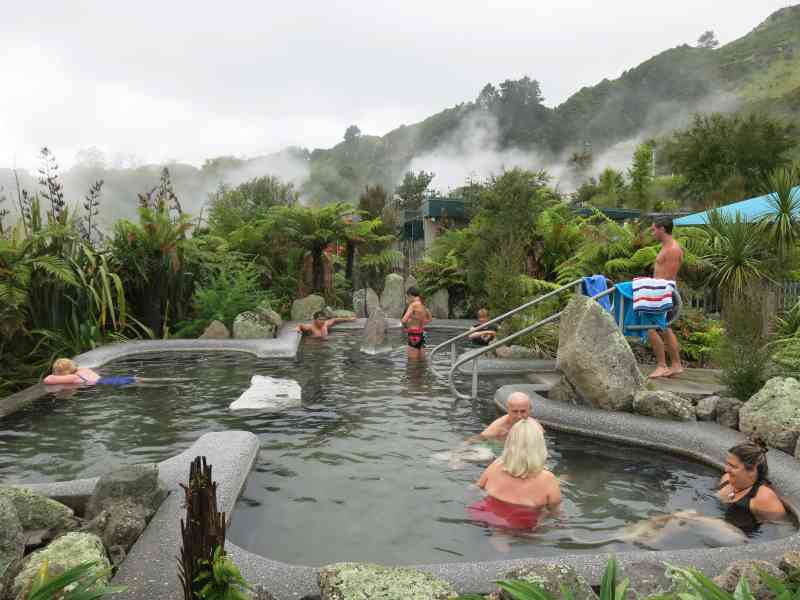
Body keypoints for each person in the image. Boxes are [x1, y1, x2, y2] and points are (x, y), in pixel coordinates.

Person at [467, 418, 561, 531]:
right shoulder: (547, 478)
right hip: (519, 525)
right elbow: (554, 511)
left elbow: (477, 487)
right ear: (539, 445)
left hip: (485, 516)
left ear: (510, 442)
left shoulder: (496, 464)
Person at [718, 436, 786, 530]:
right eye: (727, 464)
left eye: (733, 466)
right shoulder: (726, 479)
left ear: (752, 470)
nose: (726, 469)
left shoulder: (764, 497)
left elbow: (782, 528)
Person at [648, 216, 684, 379]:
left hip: (665, 293)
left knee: (650, 327)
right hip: (660, 293)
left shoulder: (673, 249)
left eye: (653, 229)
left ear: (662, 229)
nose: (652, 233)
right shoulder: (666, 247)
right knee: (665, 329)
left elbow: (668, 278)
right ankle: (675, 365)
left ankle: (663, 365)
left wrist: (655, 294)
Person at [44, 358, 135, 386]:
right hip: (110, 379)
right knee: (136, 380)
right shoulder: (84, 370)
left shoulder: (74, 377)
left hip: (106, 383)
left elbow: (47, 380)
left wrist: (55, 375)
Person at [401, 287, 432, 360]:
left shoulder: (413, 305)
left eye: (407, 297)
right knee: (422, 360)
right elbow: (430, 319)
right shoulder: (423, 304)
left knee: (412, 362)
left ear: (410, 295)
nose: (408, 299)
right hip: (422, 334)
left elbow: (403, 320)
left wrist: (408, 323)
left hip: (413, 335)